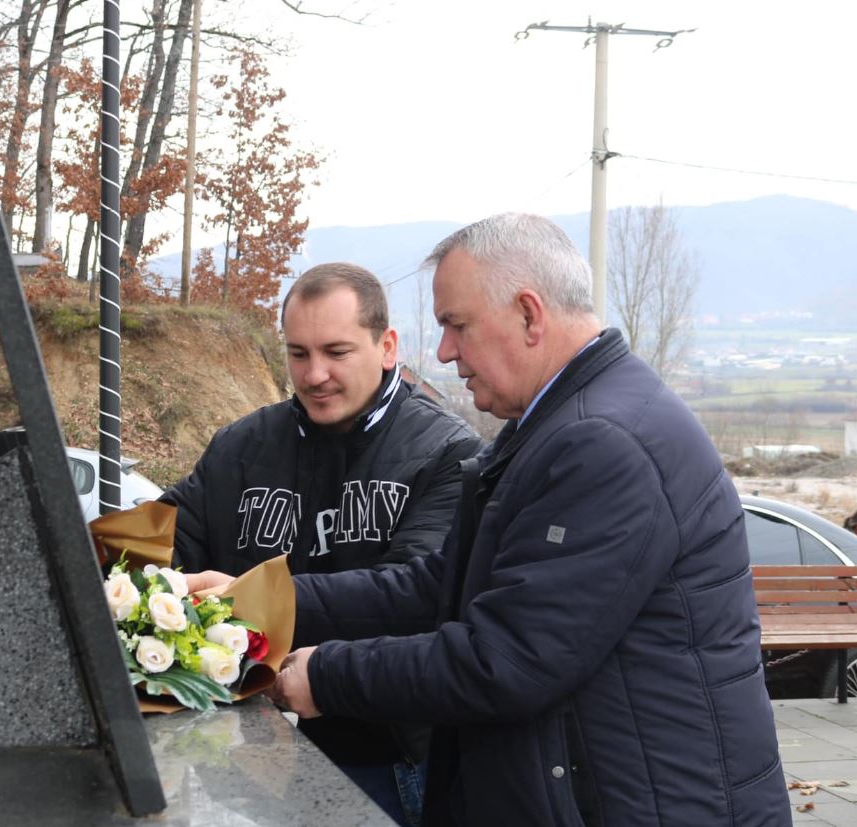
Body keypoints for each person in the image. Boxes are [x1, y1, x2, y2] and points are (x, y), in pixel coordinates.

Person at [193, 213, 790, 825]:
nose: (445, 351)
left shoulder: (604, 444)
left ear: (529, 314)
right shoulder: (555, 427)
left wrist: (326, 676)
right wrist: (256, 602)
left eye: (456, 325)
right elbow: (435, 587)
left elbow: (508, 659)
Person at [162, 261, 482, 826]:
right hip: (239, 748)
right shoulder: (240, 447)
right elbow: (162, 541)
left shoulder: (447, 454)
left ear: (386, 346)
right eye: (298, 353)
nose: (314, 375)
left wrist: (253, 598)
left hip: (382, 757)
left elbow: (414, 596)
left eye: (336, 353)